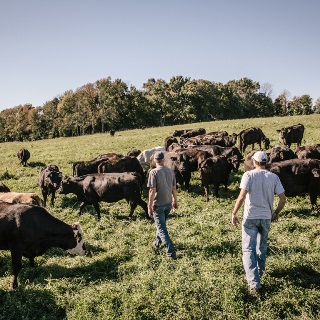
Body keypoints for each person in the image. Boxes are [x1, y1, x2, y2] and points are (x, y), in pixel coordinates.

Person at [231, 151, 286, 296]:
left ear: (254, 162)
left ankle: (254, 284)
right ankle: (258, 274)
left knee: (248, 249)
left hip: (250, 217)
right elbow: (282, 199)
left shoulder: (248, 175)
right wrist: (276, 212)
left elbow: (242, 196)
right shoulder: (273, 177)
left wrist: (234, 213)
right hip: (266, 217)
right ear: (266, 162)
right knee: (262, 246)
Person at [147, 151, 178, 259]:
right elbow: (174, 188)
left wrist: (149, 206)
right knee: (161, 225)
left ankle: (171, 253)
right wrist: (175, 201)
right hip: (168, 203)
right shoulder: (171, 171)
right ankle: (156, 243)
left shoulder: (153, 172)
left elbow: (152, 191)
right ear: (164, 160)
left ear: (155, 160)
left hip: (158, 205)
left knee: (162, 229)